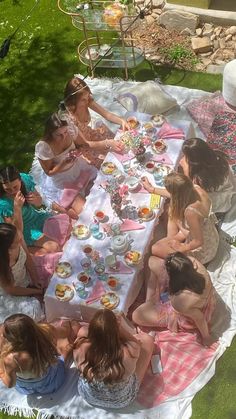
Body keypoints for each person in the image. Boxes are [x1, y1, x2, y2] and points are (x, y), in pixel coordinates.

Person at [73, 309, 154, 409]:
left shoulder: (79, 347)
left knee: (82, 331)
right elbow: (136, 342)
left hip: (89, 396)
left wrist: (101, 328)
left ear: (92, 330)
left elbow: (83, 331)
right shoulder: (128, 351)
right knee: (148, 340)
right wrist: (119, 328)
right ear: (117, 330)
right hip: (122, 400)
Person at [132, 252, 216, 347]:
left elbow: (199, 318)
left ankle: (151, 302)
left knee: (136, 316)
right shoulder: (193, 262)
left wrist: (206, 337)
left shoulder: (181, 301)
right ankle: (150, 301)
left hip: (188, 313)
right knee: (151, 261)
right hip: (191, 294)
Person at [142, 138, 236, 215]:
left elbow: (181, 194)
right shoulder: (218, 157)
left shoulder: (199, 180)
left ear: (194, 160)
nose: (184, 158)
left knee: (171, 209)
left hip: (217, 203)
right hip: (225, 190)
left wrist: (152, 189)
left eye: (186, 156)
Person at [33, 112, 97, 219]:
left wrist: (78, 151)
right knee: (86, 212)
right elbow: (49, 172)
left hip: (80, 168)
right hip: (63, 181)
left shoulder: (69, 129)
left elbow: (82, 144)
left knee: (101, 189)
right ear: (50, 133)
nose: (64, 137)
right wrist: (63, 164)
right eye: (59, 135)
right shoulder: (44, 146)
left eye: (65, 132)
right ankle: (70, 209)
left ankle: (71, 209)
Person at [0, 314, 80, 394]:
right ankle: (66, 349)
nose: (2, 336)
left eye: (4, 335)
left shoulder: (12, 359)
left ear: (14, 339)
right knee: (59, 362)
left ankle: (66, 351)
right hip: (52, 381)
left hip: (27, 388)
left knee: (59, 360)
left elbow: (10, 384)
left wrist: (2, 369)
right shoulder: (44, 332)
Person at [151, 172, 219, 266]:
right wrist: (152, 189)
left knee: (155, 248)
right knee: (171, 209)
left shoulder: (191, 212)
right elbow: (175, 194)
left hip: (203, 250)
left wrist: (182, 247)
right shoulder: (196, 188)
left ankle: (172, 243)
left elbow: (198, 241)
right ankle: (171, 239)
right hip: (207, 233)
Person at [62, 76, 128, 168]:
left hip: (91, 135)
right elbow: (85, 144)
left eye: (87, 96)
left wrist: (122, 121)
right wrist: (108, 143)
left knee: (122, 146)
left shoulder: (87, 100)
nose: (87, 101)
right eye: (83, 100)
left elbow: (107, 115)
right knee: (110, 164)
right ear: (73, 100)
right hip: (84, 146)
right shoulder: (69, 119)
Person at [0, 166, 66, 253]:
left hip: (36, 217)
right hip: (25, 230)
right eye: (7, 189)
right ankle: (27, 251)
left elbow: (39, 203)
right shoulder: (3, 204)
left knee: (66, 230)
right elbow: (16, 232)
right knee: (55, 247)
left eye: (15, 187)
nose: (12, 191)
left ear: (20, 180)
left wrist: (36, 200)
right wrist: (17, 209)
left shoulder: (25, 179)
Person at [179, 138, 236, 215]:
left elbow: (191, 190)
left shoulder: (201, 178)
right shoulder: (217, 156)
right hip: (227, 188)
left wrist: (186, 170)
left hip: (219, 200)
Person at [0, 223, 44, 322]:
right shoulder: (2, 266)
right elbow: (11, 289)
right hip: (10, 292)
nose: (21, 238)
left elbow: (28, 259)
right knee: (32, 313)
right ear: (8, 249)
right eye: (17, 240)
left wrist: (35, 279)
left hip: (24, 278)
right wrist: (36, 291)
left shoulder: (19, 239)